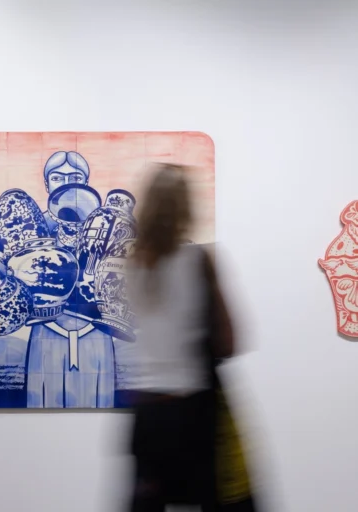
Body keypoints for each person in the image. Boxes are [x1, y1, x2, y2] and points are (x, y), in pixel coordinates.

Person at [125, 164, 251, 511]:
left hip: (147, 413)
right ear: (186, 208)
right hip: (193, 411)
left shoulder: (133, 265)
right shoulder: (200, 259)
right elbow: (229, 340)